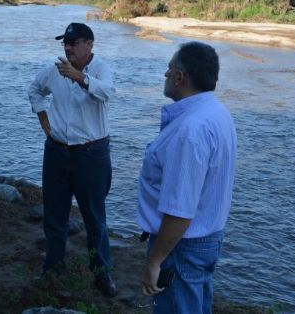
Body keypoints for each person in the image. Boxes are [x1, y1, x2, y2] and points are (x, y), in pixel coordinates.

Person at [138, 41, 237, 314]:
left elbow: (180, 211)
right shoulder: (217, 113)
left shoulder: (189, 131)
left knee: (176, 306)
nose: (165, 75)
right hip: (206, 240)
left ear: (180, 77)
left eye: (169, 69)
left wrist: (155, 261)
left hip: (181, 250)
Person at [27, 22, 118, 297]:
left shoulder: (101, 69)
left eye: (74, 42)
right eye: (65, 43)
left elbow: (107, 93)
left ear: (89, 44)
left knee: (94, 218)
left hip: (91, 154)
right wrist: (43, 116)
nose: (67, 47)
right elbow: (34, 90)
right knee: (55, 216)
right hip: (56, 152)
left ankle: (101, 274)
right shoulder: (55, 70)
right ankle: (53, 269)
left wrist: (80, 77)